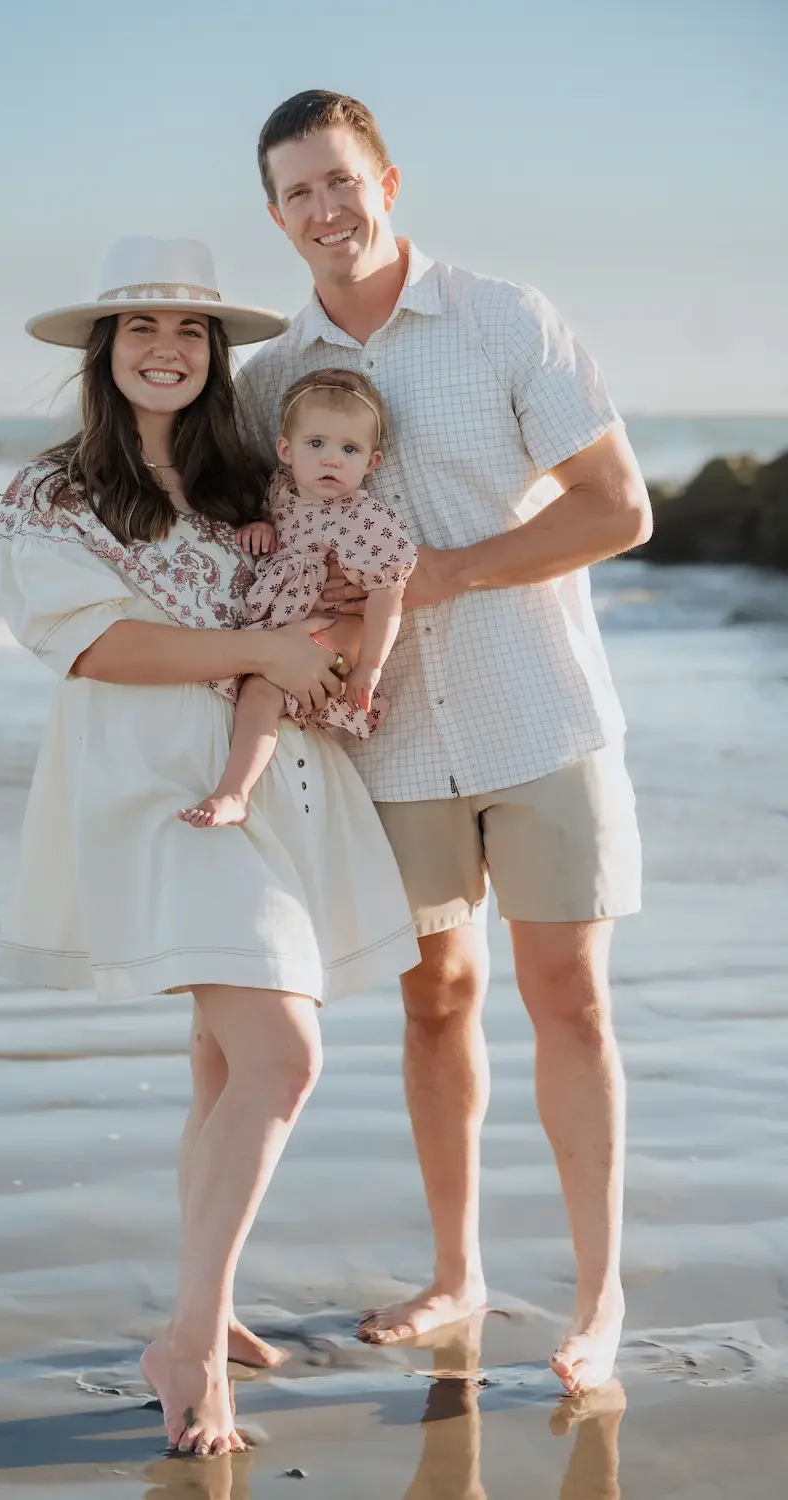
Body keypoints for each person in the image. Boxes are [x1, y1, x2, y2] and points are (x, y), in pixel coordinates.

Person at [236, 91, 653, 1395]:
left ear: (389, 181)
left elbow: (618, 508)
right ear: (274, 214)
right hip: (392, 744)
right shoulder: (265, 383)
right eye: (298, 192)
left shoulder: (502, 319)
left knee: (569, 1002)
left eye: (342, 182)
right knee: (435, 1000)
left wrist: (445, 576)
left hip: (542, 715)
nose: (325, 210)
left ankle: (598, 1302)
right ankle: (457, 1272)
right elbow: (251, 554)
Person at [0, 234, 420, 1455]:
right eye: (140, 328)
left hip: (267, 774)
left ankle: (210, 1304)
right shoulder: (57, 492)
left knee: (225, 1063)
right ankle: (183, 1338)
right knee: (283, 1051)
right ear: (103, 349)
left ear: (218, 353)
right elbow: (86, 646)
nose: (167, 349)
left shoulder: (255, 479)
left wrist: (327, 644)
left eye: (190, 331)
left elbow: (336, 585)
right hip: (149, 791)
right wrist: (262, 655)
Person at [180, 368, 415, 829]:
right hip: (275, 627)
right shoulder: (280, 490)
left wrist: (370, 665)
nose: (331, 460)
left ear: (371, 462)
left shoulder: (366, 519)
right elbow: (275, 521)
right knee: (249, 691)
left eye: (349, 449)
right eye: (316, 444)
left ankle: (234, 792)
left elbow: (390, 595)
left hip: (322, 631)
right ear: (285, 451)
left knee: (261, 691)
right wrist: (260, 524)